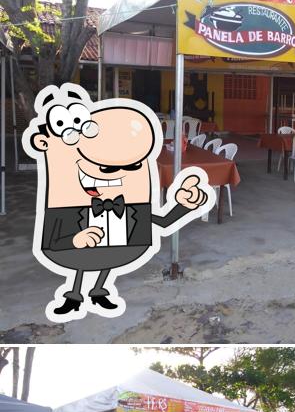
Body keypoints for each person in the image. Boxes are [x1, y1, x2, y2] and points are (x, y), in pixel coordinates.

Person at [22, 83, 214, 320]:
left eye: (132, 165)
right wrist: (75, 238)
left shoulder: (132, 207)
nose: (113, 174)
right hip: (75, 251)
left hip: (121, 250)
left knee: (107, 258)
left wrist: (185, 204)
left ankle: (99, 290)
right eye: (104, 167)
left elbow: (163, 222)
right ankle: (74, 295)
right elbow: (52, 241)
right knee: (83, 259)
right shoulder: (65, 207)